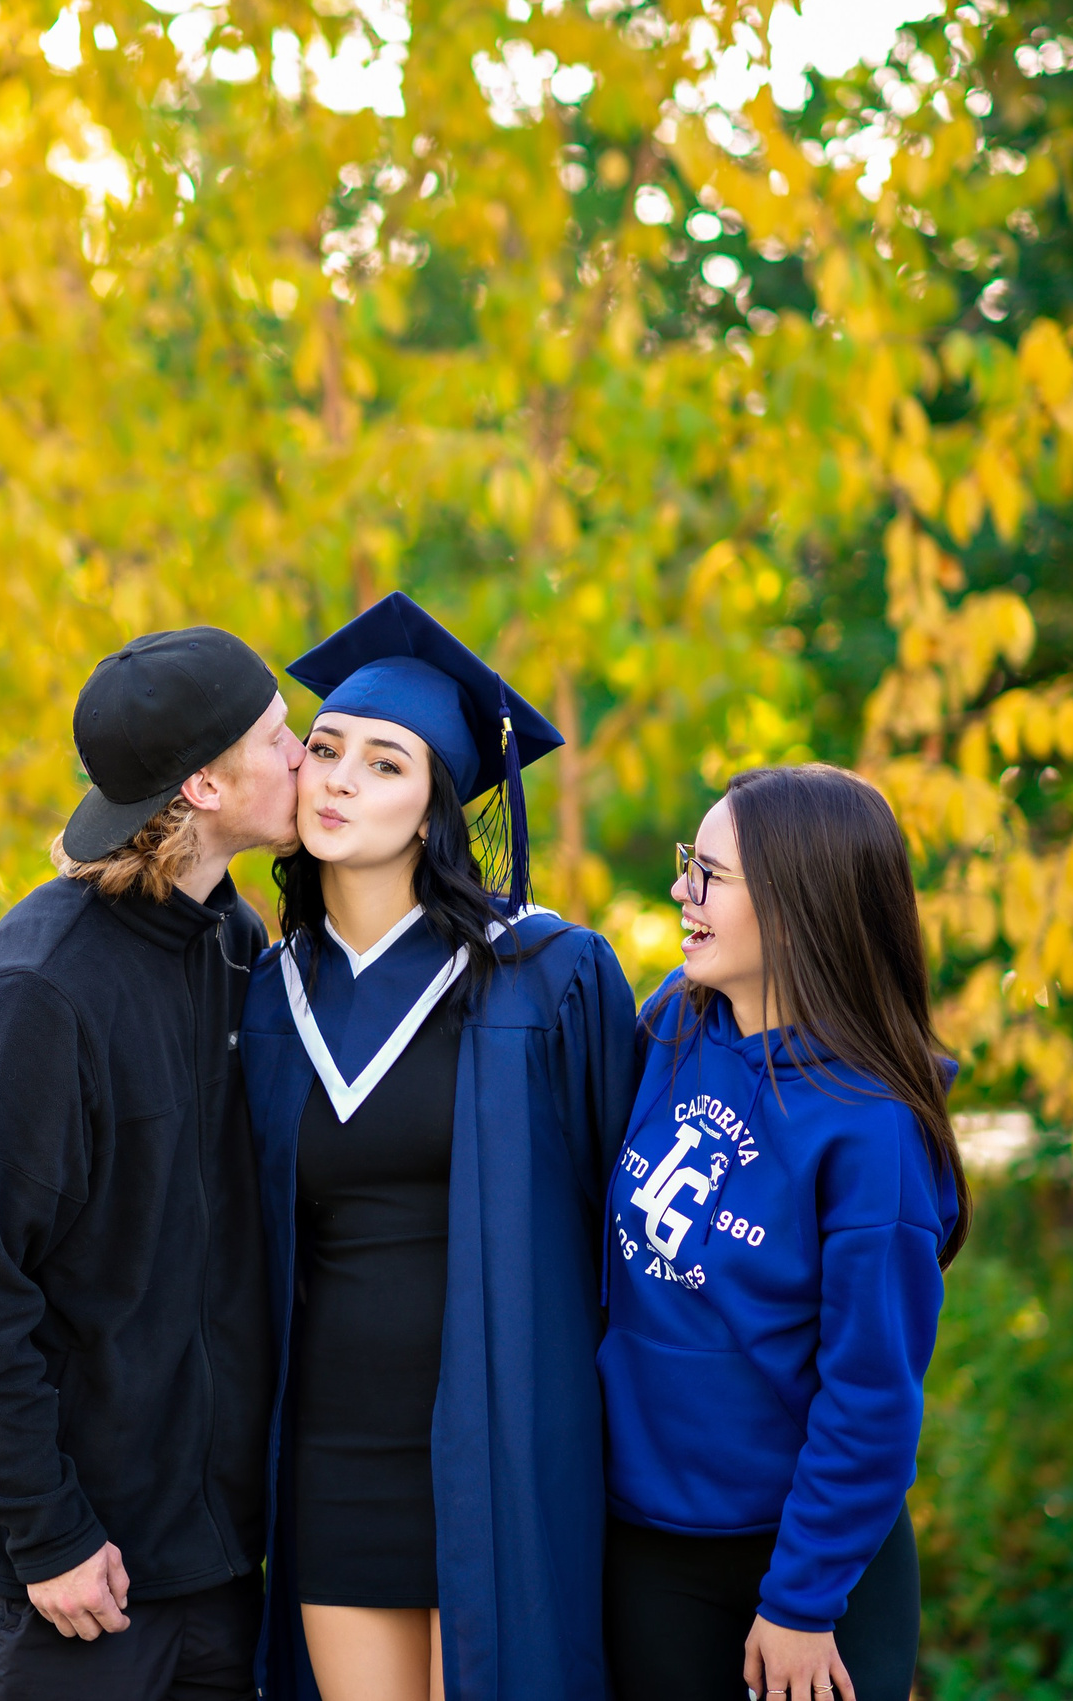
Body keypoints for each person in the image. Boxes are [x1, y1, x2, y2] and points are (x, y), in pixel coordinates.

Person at [239, 592, 639, 1701]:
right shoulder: (263, 995)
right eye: (325, 750)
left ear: (435, 810)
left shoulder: (548, 976)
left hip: (510, 1437)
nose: (339, 780)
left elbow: (624, 1223)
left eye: (386, 764)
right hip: (335, 1447)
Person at [0, 626, 307, 1701]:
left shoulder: (232, 944)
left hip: (208, 1566)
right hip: (65, 1582)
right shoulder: (36, 993)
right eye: (280, 737)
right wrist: (50, 1533)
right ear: (204, 785)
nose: (305, 754)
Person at [599, 762, 971, 1701]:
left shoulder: (871, 1128)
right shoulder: (673, 1027)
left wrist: (803, 1602)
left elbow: (871, 1396)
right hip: (649, 1550)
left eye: (710, 875)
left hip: (808, 1567)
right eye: (689, 862)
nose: (682, 891)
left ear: (800, 908)